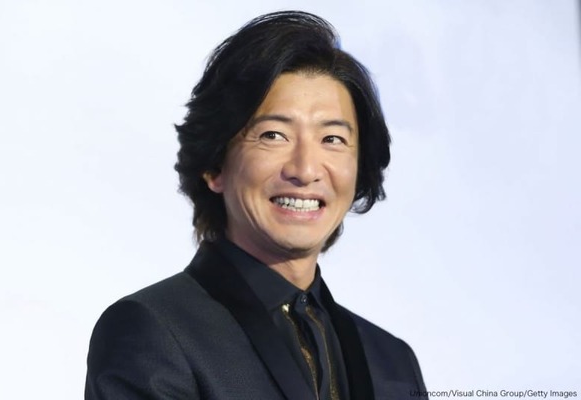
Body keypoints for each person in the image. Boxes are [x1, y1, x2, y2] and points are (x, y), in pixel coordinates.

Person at [85, 10, 427, 400]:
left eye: (332, 139)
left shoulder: (392, 360)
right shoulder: (153, 332)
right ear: (215, 165)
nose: (305, 170)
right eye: (273, 135)